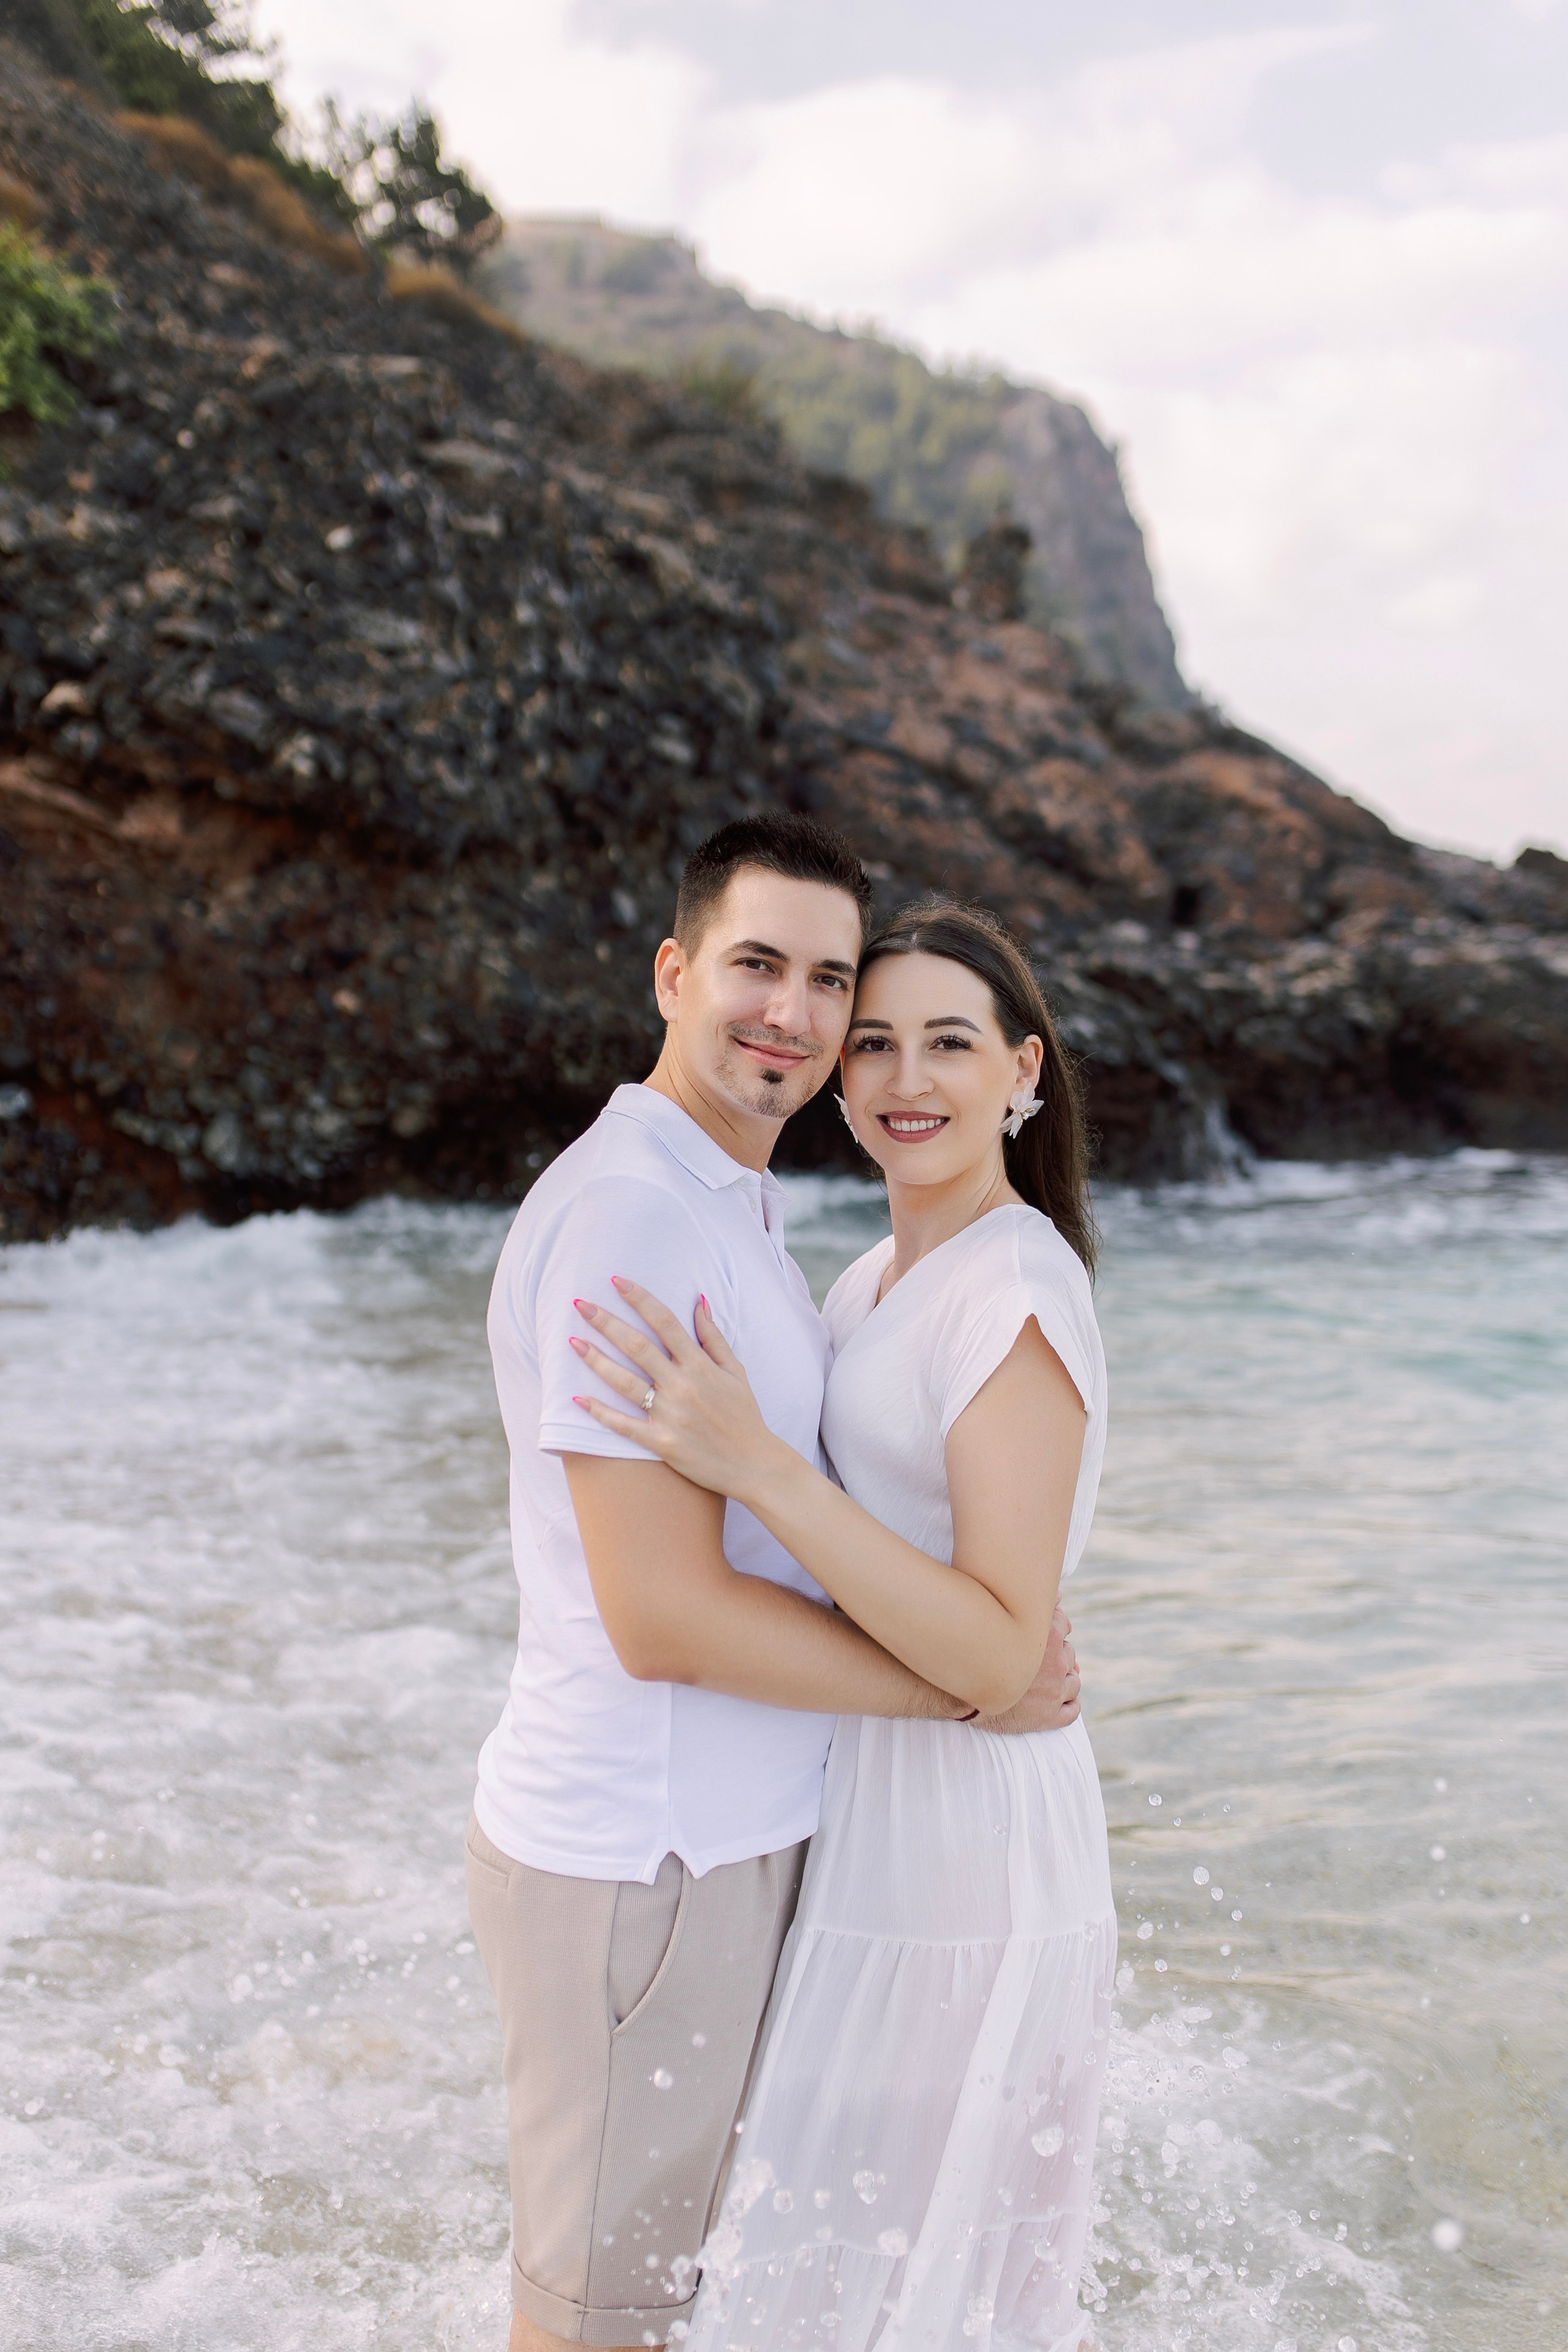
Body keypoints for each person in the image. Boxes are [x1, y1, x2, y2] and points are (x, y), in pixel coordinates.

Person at [467, 818, 1082, 2352]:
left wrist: (972, 1658)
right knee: (602, 2316)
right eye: (759, 967)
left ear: (1024, 1068)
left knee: (749, 2290)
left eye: (829, 985)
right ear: (674, 975)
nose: (798, 1021)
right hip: (651, 1857)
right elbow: (660, 1614)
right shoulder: (639, 1215)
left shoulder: (743, 1206)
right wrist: (964, 1681)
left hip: (753, 1851)